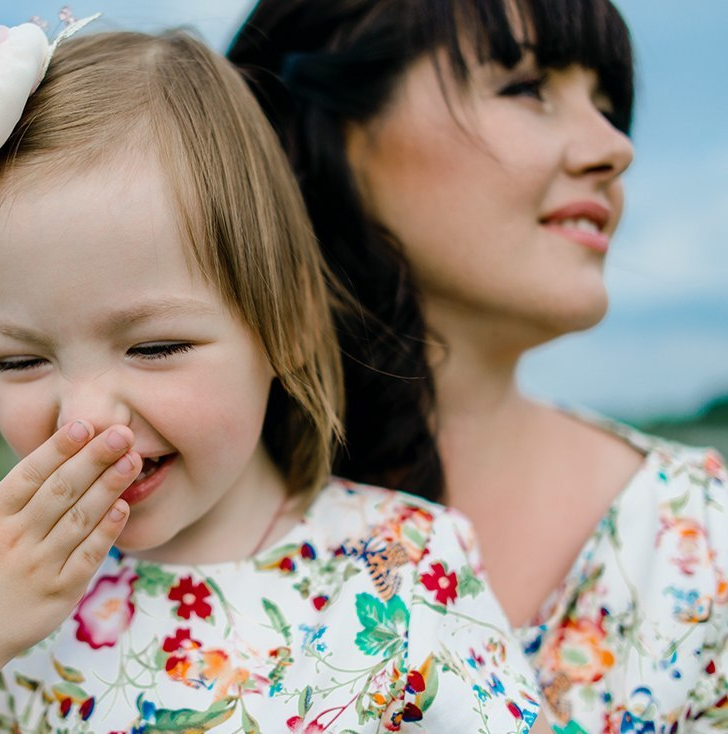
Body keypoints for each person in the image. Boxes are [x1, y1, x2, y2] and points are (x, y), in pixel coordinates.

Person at [0, 18, 544, 734]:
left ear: (290, 323)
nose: (85, 419)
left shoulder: (404, 568)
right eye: (21, 361)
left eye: (153, 348)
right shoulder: (9, 603)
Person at [228, 0, 728, 730]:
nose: (614, 147)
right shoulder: (140, 522)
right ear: (334, 125)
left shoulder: (703, 542)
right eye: (527, 87)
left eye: (608, 105)